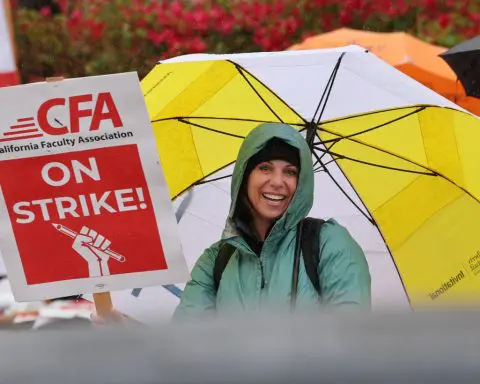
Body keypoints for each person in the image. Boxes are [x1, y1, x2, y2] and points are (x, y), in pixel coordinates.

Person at [172, 122, 371, 320]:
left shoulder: (329, 244)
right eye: (265, 168)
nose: (277, 182)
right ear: (245, 176)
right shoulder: (216, 260)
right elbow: (185, 341)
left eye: (290, 172)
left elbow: (351, 338)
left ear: (300, 182)